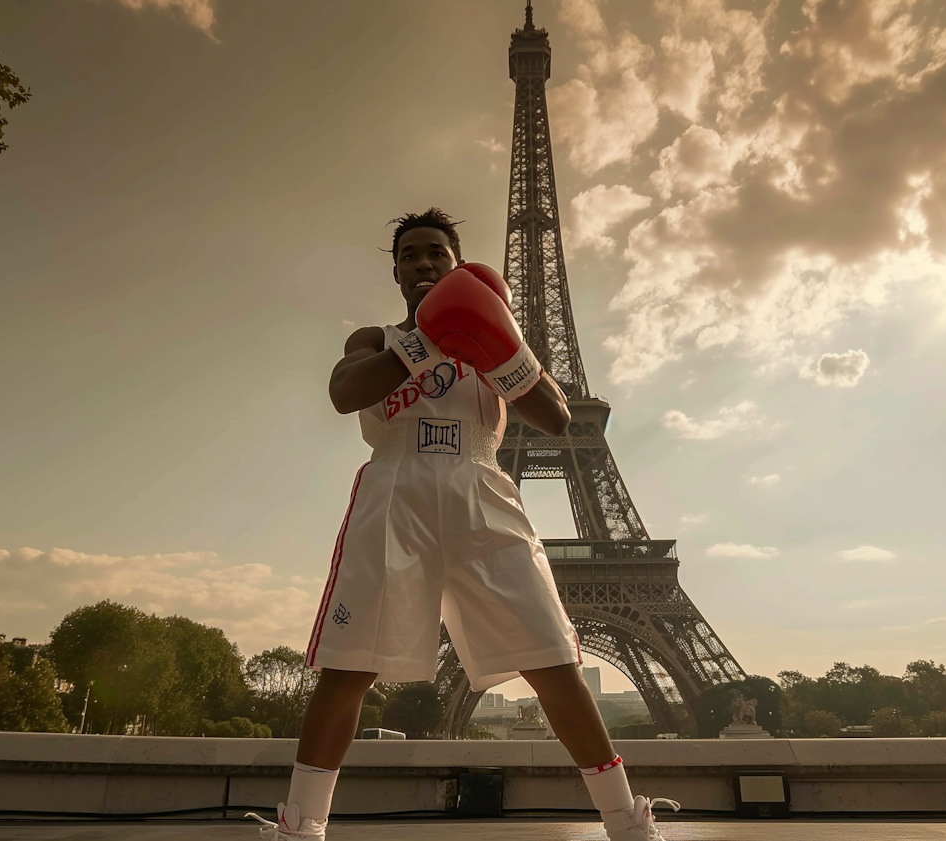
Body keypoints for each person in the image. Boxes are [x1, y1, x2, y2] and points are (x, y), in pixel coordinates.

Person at [246, 209, 677, 840]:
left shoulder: (496, 332)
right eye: (410, 255)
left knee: (554, 660)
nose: (423, 263)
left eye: (436, 254)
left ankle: (624, 820)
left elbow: (557, 418)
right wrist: (432, 337)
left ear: (456, 262)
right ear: (395, 271)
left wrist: (491, 341)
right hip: (397, 488)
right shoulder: (373, 337)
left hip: (482, 488)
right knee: (349, 668)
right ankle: (302, 825)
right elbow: (345, 392)